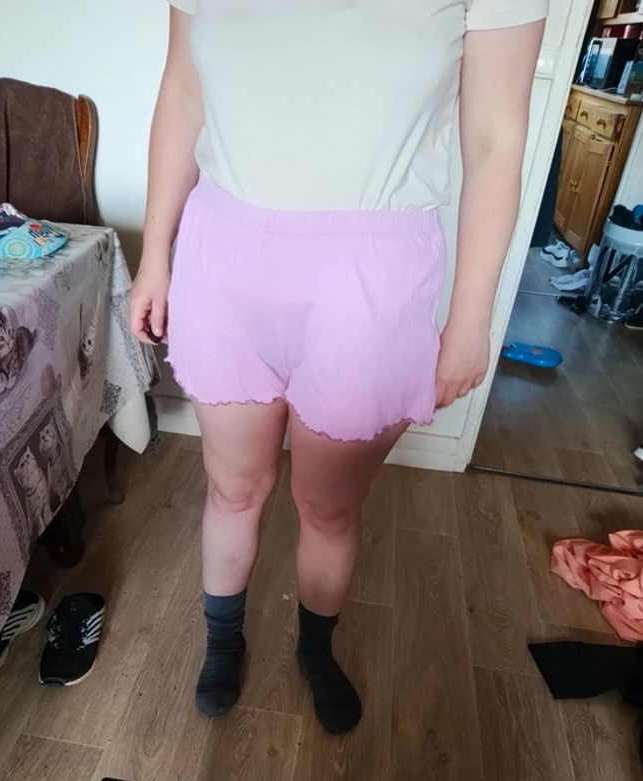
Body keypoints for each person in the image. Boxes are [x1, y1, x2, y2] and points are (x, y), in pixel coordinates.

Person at [130, 0, 548, 734]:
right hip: (224, 256)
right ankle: (223, 639)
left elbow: (495, 138)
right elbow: (183, 88)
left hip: (371, 277)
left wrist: (471, 321)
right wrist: (154, 254)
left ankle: (315, 649)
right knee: (233, 487)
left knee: (328, 506)